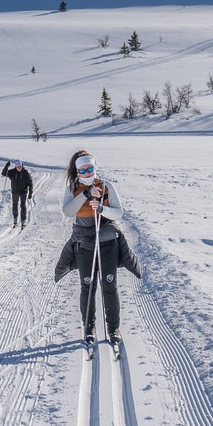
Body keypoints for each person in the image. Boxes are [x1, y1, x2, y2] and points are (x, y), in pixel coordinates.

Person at [60, 149, 127, 349]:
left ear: (95, 168)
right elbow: (68, 211)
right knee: (87, 287)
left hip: (107, 242)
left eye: (90, 168)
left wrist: (102, 209)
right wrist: (86, 195)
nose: (87, 173)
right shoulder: (72, 188)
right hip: (84, 244)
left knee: (109, 286)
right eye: (83, 169)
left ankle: (113, 329)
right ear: (77, 170)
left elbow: (119, 212)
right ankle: (89, 329)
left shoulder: (106, 186)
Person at [1, 159, 34, 228]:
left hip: (23, 191)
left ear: (22, 166)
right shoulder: (12, 172)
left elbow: (30, 183)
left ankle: (23, 220)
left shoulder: (25, 173)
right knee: (15, 204)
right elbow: (4, 173)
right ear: (15, 167)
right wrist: (6, 166)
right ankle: (15, 218)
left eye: (20, 166)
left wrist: (30, 192)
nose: (19, 168)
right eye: (18, 167)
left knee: (23, 205)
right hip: (15, 191)